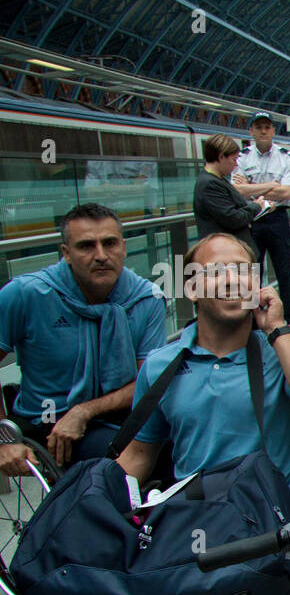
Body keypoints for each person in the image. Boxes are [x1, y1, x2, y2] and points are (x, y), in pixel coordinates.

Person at [114, 232, 290, 501]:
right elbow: (139, 454)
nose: (232, 280)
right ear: (191, 289)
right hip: (196, 516)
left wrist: (277, 330)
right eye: (215, 272)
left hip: (273, 517)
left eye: (242, 271)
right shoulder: (160, 366)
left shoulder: (281, 351)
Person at [0, 203, 167, 474]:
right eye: (86, 246)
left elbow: (147, 381)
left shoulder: (146, 298)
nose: (101, 255)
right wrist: (3, 440)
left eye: (110, 243)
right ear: (66, 253)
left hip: (123, 413)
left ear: (123, 247)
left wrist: (85, 411)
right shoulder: (26, 294)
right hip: (49, 419)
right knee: (127, 464)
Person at [233, 113, 290, 332]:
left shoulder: (287, 156)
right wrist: (272, 186)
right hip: (251, 220)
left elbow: (287, 192)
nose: (263, 131)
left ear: (273, 131)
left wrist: (251, 188)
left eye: (267, 127)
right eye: (258, 127)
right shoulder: (242, 157)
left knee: (285, 274)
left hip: (277, 220)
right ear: (251, 132)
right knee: (251, 273)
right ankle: (252, 323)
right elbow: (236, 191)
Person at [194, 134, 270, 256]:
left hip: (232, 252)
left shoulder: (217, 180)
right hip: (227, 255)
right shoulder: (210, 184)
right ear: (221, 157)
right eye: (233, 160)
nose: (235, 165)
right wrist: (257, 206)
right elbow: (233, 218)